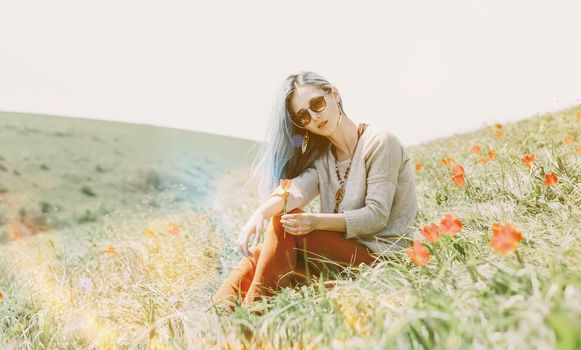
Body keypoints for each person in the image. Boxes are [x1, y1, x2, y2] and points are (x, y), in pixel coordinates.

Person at [211, 71, 418, 313]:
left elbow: (376, 216)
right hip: (341, 256)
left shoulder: (380, 141)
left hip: (381, 262)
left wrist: (314, 221)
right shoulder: (324, 158)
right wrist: (259, 213)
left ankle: (249, 322)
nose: (314, 116)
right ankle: (214, 320)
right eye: (304, 116)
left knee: (285, 224)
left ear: (335, 94)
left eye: (317, 104)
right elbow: (295, 191)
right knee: (262, 249)